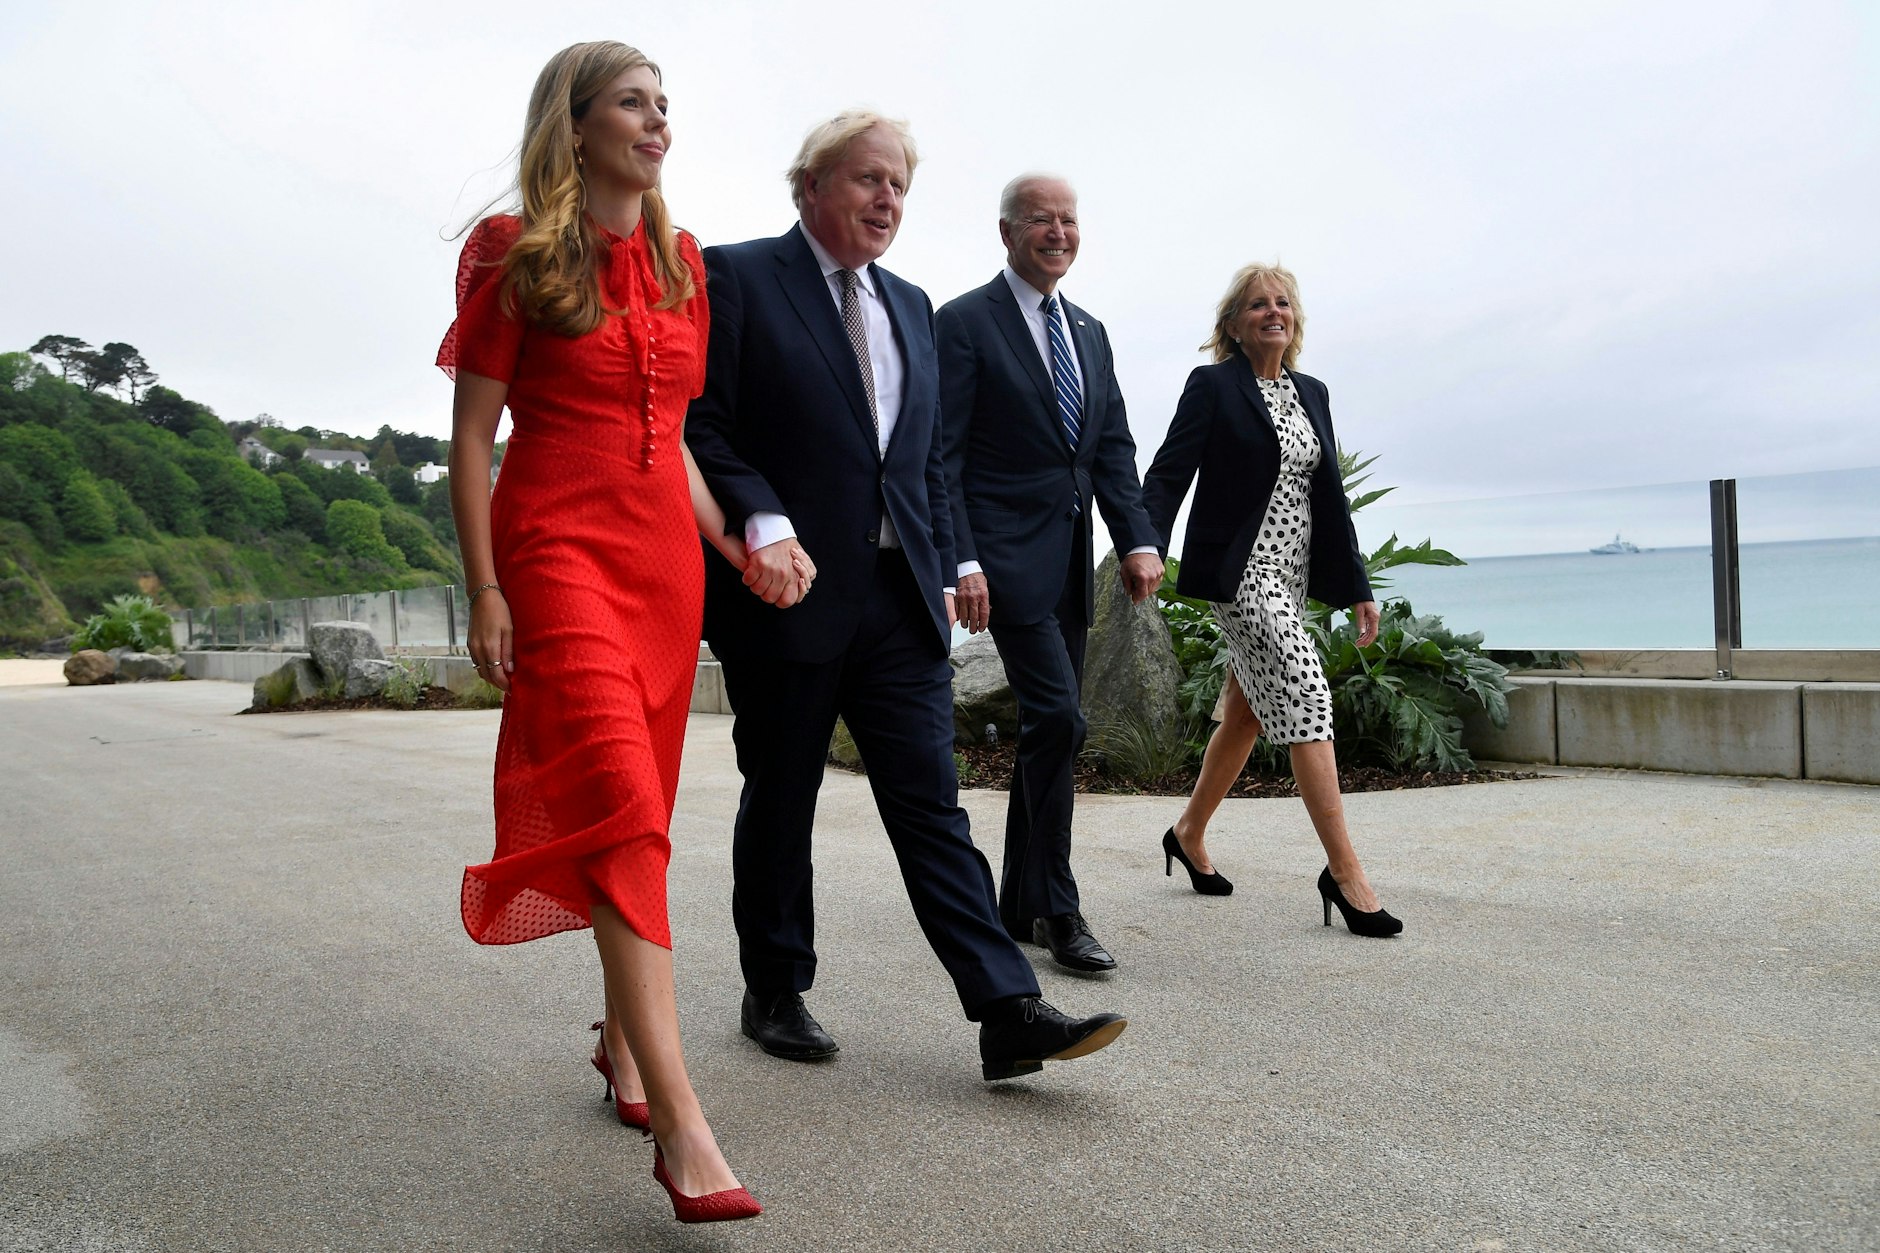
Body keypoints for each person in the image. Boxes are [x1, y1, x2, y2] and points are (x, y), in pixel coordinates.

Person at [684, 112, 1129, 1081]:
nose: (886, 200)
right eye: (866, 180)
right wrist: (761, 519)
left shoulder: (911, 304)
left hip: (897, 604)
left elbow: (925, 460)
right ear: (810, 187)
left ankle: (1006, 1005)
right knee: (782, 794)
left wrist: (950, 560)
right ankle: (775, 985)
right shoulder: (738, 275)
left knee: (931, 804)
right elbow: (701, 426)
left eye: (898, 186)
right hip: (785, 593)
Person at [440, 41, 767, 1223]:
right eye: (633, 103)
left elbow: (671, 435)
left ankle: (622, 1043)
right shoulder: (509, 250)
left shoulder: (682, 263)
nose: (658, 121)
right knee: (622, 803)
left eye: (664, 105)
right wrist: (485, 588)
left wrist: (737, 543)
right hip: (555, 553)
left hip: (660, 568)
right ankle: (684, 1126)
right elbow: (472, 437)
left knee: (637, 816)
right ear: (572, 127)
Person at [936, 175, 1164, 973]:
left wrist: (1136, 538)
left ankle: (1017, 902)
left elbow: (1112, 449)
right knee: (1062, 719)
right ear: (1007, 231)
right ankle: (1060, 908)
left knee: (1049, 729)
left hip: (1068, 564)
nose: (1058, 231)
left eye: (1068, 219)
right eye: (1042, 219)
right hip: (1000, 563)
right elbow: (945, 455)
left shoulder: (1090, 332)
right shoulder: (963, 323)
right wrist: (960, 558)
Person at [1140, 263, 1403, 937]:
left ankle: (1189, 830)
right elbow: (1169, 473)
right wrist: (1142, 545)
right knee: (1308, 693)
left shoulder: (1311, 391)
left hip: (1292, 577)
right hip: (1242, 575)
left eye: (1282, 302)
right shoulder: (1213, 386)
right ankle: (1345, 873)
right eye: (1257, 304)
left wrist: (1357, 588)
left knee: (1246, 712)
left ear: (1296, 318)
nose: (1272, 312)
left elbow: (1331, 497)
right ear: (1233, 323)